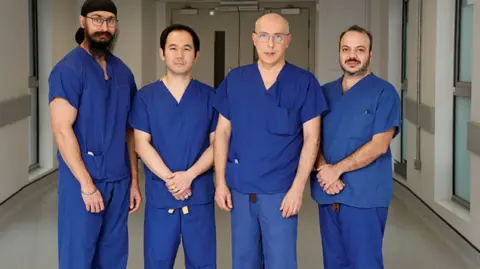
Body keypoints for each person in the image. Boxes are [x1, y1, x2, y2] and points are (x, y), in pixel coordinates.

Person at [213, 13, 328, 269]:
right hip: (240, 190)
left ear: (288, 41)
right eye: (264, 36)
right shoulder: (236, 80)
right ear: (254, 40)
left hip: (281, 193)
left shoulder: (304, 82)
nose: (270, 44)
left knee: (281, 262)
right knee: (244, 261)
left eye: (278, 37)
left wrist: (297, 189)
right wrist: (220, 182)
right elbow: (221, 133)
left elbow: (312, 138)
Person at [48, 1, 142, 268]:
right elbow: (61, 130)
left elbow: (129, 131)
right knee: (78, 255)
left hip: (118, 180)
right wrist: (87, 185)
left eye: (110, 20)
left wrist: (134, 181)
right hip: (82, 184)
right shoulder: (68, 70)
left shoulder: (122, 72)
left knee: (114, 256)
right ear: (83, 21)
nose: (104, 27)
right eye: (97, 19)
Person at [311, 25, 401, 269]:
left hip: (365, 196)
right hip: (328, 193)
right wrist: (323, 170)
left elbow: (380, 144)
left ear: (370, 55)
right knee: (334, 263)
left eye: (360, 50)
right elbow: (312, 138)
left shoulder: (384, 93)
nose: (352, 55)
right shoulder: (324, 92)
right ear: (339, 53)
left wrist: (336, 169)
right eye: (346, 49)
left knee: (364, 264)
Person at [128, 24, 217, 269]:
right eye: (173, 48)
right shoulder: (146, 97)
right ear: (162, 53)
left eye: (187, 49)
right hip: (161, 195)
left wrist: (189, 176)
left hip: (198, 194)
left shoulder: (211, 97)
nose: (180, 55)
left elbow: (217, 145)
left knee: (202, 262)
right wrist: (172, 179)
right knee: (157, 262)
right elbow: (141, 143)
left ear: (196, 55)